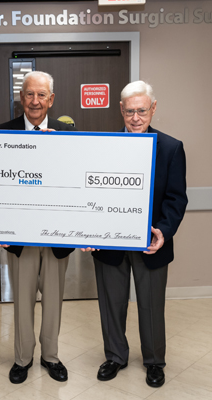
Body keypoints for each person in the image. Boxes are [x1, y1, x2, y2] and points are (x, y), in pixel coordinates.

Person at [90, 80, 187, 388]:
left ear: (152, 109)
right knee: (112, 303)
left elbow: (176, 198)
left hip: (150, 243)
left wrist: (164, 232)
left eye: (141, 111)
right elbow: (91, 190)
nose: (135, 118)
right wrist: (88, 230)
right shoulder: (104, 145)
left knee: (151, 305)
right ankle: (115, 356)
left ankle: (154, 361)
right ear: (121, 110)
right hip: (110, 242)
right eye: (129, 111)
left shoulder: (171, 148)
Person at [0, 71, 76, 384]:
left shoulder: (70, 134)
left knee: (53, 300)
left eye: (41, 95)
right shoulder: (3, 134)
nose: (35, 101)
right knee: (23, 300)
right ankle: (22, 358)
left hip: (57, 235)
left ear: (51, 99)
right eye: (29, 94)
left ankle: (50, 356)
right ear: (21, 98)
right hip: (20, 237)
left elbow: (78, 184)